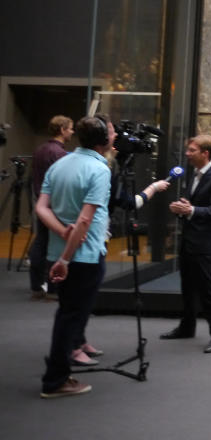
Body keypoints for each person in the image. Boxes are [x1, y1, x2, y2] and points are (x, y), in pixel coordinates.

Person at [36, 114, 168, 397]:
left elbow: (41, 209)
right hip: (81, 258)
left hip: (62, 250)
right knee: (70, 318)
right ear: (103, 140)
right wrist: (66, 260)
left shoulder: (61, 163)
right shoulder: (98, 171)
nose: (115, 136)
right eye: (111, 133)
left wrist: (61, 235)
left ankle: (59, 374)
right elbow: (84, 221)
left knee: (66, 314)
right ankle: (55, 380)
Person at [161, 134, 211, 353]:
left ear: (205, 153)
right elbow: (200, 205)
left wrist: (189, 210)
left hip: (206, 243)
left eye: (192, 150)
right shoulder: (197, 173)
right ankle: (187, 326)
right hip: (190, 239)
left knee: (208, 289)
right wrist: (185, 207)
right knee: (188, 287)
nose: (187, 154)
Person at [28, 115, 73, 299]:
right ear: (62, 130)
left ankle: (37, 286)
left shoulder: (40, 150)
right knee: (54, 246)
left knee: (41, 242)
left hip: (42, 203)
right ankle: (53, 287)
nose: (72, 131)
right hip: (55, 205)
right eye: (70, 128)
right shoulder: (59, 154)